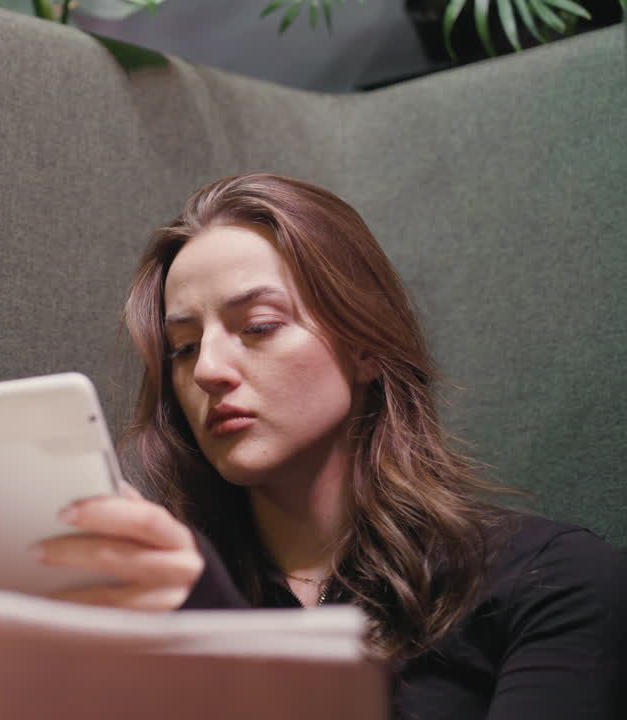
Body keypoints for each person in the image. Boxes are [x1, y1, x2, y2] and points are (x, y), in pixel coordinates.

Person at [32, 173, 627, 718]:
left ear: (365, 346)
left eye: (258, 327)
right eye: (183, 347)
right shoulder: (153, 603)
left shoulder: (551, 580)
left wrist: (213, 631)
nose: (207, 369)